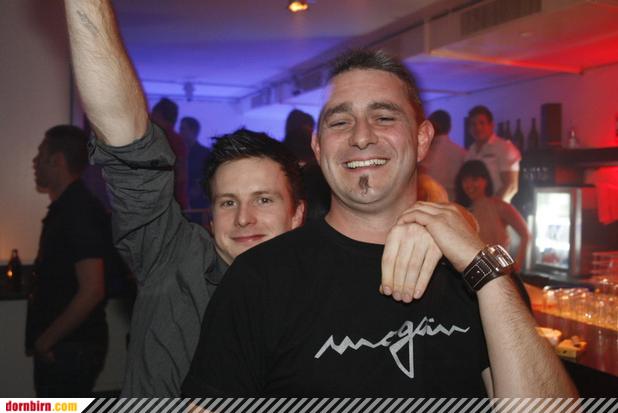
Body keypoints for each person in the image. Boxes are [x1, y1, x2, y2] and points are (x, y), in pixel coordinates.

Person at [62, 0, 444, 395]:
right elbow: (126, 144)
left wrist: (437, 227)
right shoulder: (176, 265)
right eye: (228, 202)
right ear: (210, 219)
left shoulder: (325, 283)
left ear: (298, 215)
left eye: (264, 200)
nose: (244, 218)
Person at [183, 49, 577, 397]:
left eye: (384, 117)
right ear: (318, 147)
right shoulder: (259, 278)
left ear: (422, 139)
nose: (361, 137)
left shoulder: (476, 274)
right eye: (340, 122)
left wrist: (484, 271)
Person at [27, 125, 110, 396]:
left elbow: (92, 289)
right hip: (68, 347)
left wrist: (46, 341)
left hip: (71, 349)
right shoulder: (70, 208)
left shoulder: (77, 211)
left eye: (41, 154)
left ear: (57, 160)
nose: (35, 162)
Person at [455, 160, 530, 273]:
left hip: (497, 272)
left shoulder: (499, 205)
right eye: (465, 180)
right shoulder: (460, 209)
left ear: (485, 180)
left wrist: (517, 265)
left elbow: (526, 234)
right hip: (468, 272)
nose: (469, 185)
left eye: (474, 179)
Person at [465, 105, 521, 203]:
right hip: (475, 208)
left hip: (498, 209)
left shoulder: (504, 148)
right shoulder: (470, 152)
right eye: (473, 124)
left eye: (482, 123)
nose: (477, 127)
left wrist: (491, 207)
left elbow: (511, 186)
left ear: (491, 125)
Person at [152, 97, 190, 209]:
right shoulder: (176, 140)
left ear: (158, 115)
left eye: (153, 115)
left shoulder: (165, 139)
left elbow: (179, 175)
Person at [420, 109, 465, 201]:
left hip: (431, 200)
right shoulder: (460, 151)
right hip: (454, 201)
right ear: (450, 127)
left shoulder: (426, 151)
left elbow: (421, 178)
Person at [180, 116, 210, 210]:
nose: (179, 132)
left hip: (198, 205)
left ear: (194, 131)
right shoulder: (177, 152)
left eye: (183, 129)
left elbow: (208, 177)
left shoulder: (205, 154)